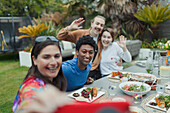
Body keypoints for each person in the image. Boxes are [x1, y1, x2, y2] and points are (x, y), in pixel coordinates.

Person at [12, 36, 71, 113]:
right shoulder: (32, 85)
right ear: (34, 60)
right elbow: (30, 100)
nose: (53, 62)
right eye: (46, 57)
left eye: (57, 56)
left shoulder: (53, 79)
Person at [57, 15, 106, 80]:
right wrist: (69, 28)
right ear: (92, 23)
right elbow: (60, 36)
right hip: (79, 68)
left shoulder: (102, 38)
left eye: (101, 25)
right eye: (97, 24)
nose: (99, 27)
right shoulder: (80, 34)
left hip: (93, 71)